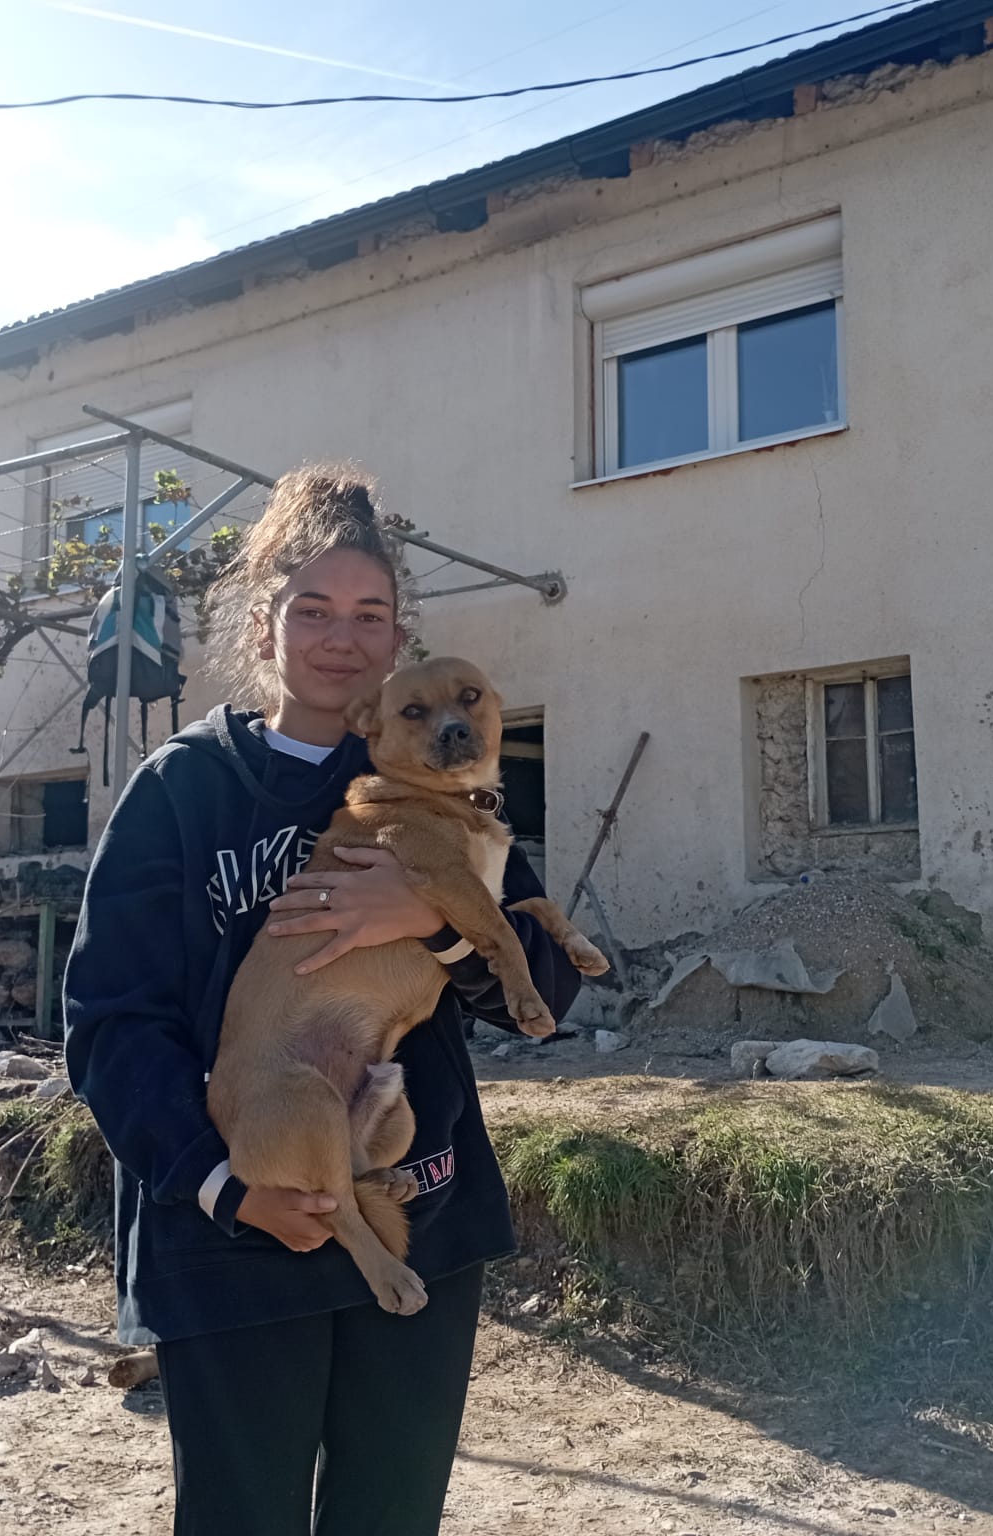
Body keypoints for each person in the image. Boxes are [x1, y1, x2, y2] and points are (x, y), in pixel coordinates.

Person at [63, 463, 586, 1536]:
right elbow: (112, 1021)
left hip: (417, 1216)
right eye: (314, 609)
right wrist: (215, 1185)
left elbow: (554, 984)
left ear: (399, 641)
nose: (342, 637)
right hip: (234, 1238)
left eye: (371, 614)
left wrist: (429, 918)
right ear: (266, 628)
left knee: (389, 1521)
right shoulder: (181, 792)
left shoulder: (436, 787)